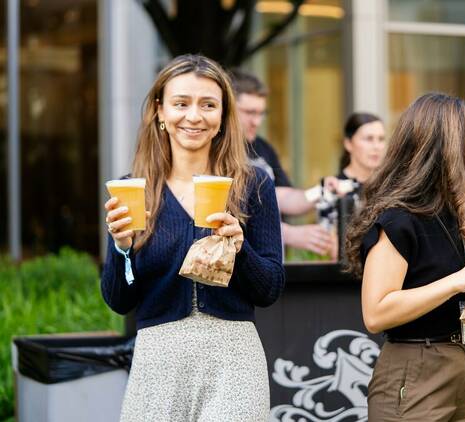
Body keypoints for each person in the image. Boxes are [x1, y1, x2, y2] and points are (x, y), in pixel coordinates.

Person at [101, 54, 284, 420]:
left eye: (208, 105)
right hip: (158, 360)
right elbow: (119, 301)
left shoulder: (253, 185)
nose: (194, 116)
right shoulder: (133, 191)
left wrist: (239, 247)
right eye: (181, 103)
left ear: (222, 116)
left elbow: (269, 290)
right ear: (160, 111)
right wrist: (123, 251)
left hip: (233, 359)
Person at [345, 93, 465, 421]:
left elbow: (449, 274)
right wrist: (460, 280)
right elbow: (376, 313)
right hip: (417, 368)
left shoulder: (458, 209)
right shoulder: (398, 218)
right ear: (449, 146)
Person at [231, 69, 335, 257]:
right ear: (228, 108)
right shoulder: (216, 150)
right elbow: (231, 212)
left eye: (262, 113)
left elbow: (281, 196)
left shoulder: (262, 147)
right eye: (249, 112)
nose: (257, 121)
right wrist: (288, 234)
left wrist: (320, 191)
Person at [338, 112, 386, 186]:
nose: (377, 146)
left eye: (381, 139)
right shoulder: (332, 190)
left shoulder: (389, 187)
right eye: (369, 139)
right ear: (348, 144)